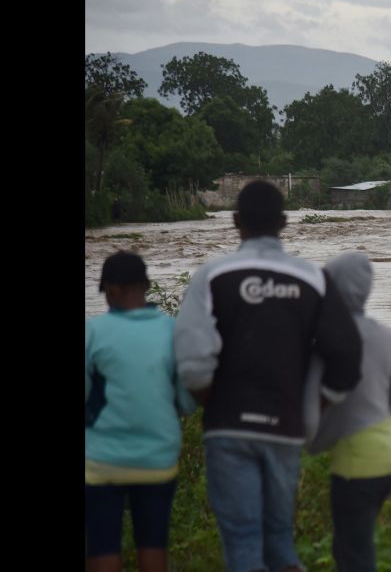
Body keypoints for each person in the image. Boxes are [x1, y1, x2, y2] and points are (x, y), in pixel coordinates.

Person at [174, 180, 363, 572]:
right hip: (285, 427)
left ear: (234, 220)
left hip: (228, 428)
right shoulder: (313, 279)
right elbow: (346, 354)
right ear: (283, 222)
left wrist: (217, 401)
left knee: (243, 542)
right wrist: (315, 406)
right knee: (278, 541)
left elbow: (192, 363)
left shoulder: (212, 276)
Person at [85, 251, 196, 572]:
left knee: (103, 547)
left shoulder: (93, 332)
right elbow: (186, 401)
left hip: (102, 462)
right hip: (157, 459)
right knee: (153, 546)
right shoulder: (171, 330)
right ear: (146, 286)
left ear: (111, 290)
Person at [303, 253, 391, 572]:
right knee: (355, 546)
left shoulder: (325, 341)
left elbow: (312, 410)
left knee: (353, 555)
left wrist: (308, 445)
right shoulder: (383, 333)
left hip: (357, 462)